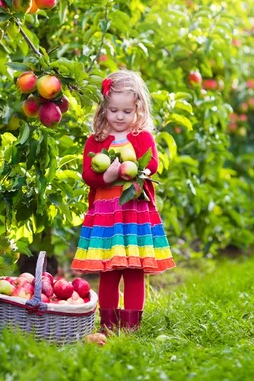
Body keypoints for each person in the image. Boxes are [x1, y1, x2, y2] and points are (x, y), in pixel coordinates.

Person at [71, 69, 175, 332]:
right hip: (106, 216)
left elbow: (152, 164)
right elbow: (87, 174)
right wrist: (106, 176)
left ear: (138, 110)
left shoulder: (142, 137)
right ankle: (108, 323)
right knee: (108, 270)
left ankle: (131, 325)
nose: (120, 116)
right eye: (114, 110)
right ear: (104, 108)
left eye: (127, 111)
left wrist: (129, 167)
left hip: (134, 212)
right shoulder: (96, 142)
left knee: (133, 270)